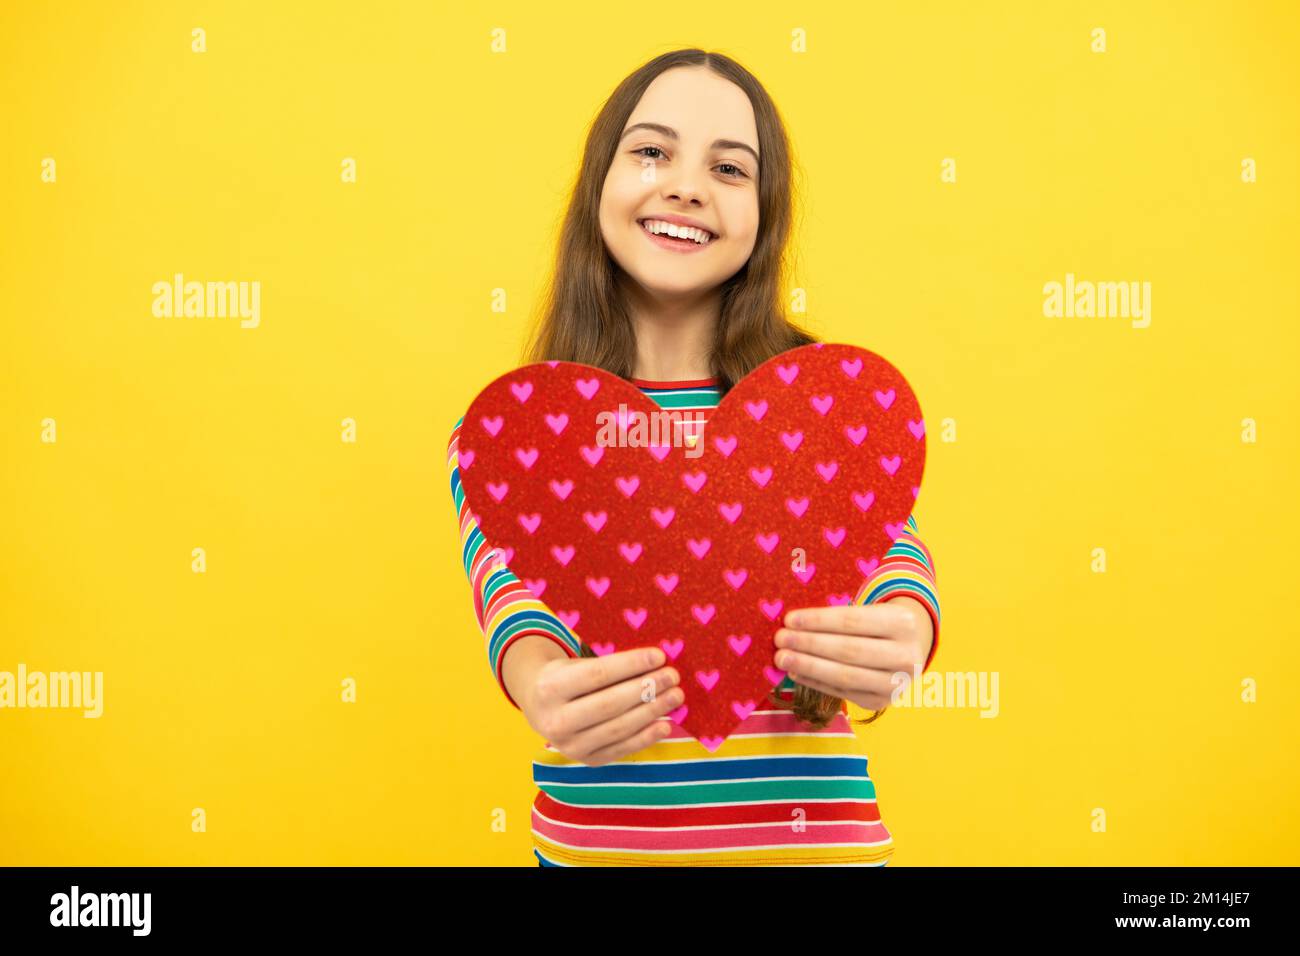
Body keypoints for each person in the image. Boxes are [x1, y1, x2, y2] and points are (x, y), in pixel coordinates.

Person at [447, 49, 940, 866]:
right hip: (592, 853)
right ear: (598, 183)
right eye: (651, 151)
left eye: (729, 167)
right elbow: (514, 602)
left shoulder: (825, 406)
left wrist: (903, 636)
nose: (684, 185)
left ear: (766, 213)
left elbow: (894, 560)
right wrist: (541, 687)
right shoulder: (512, 431)